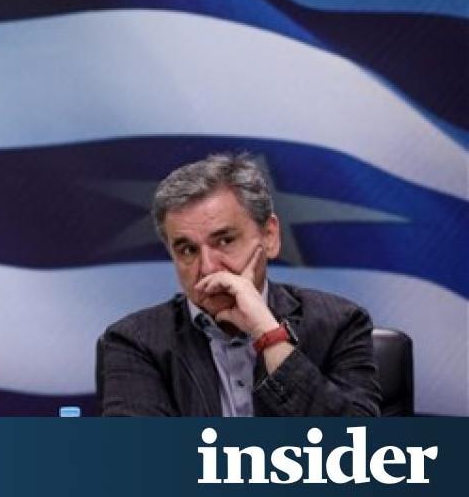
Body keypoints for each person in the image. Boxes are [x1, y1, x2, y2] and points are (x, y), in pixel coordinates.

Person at [97, 153, 380, 416]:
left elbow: (357, 445)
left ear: (269, 237)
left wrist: (268, 334)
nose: (208, 268)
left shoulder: (338, 324)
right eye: (188, 250)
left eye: (225, 241)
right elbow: (141, 452)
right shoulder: (136, 342)